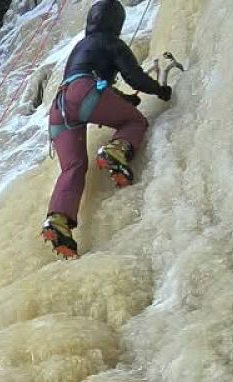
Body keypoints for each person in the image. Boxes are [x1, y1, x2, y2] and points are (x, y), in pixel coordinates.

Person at [42, 0, 173, 259]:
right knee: (135, 122)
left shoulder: (81, 46)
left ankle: (58, 219)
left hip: (60, 107)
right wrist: (159, 90)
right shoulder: (111, 42)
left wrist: (123, 99)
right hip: (85, 95)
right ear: (117, 23)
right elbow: (134, 77)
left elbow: (89, 80)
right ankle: (115, 151)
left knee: (74, 166)